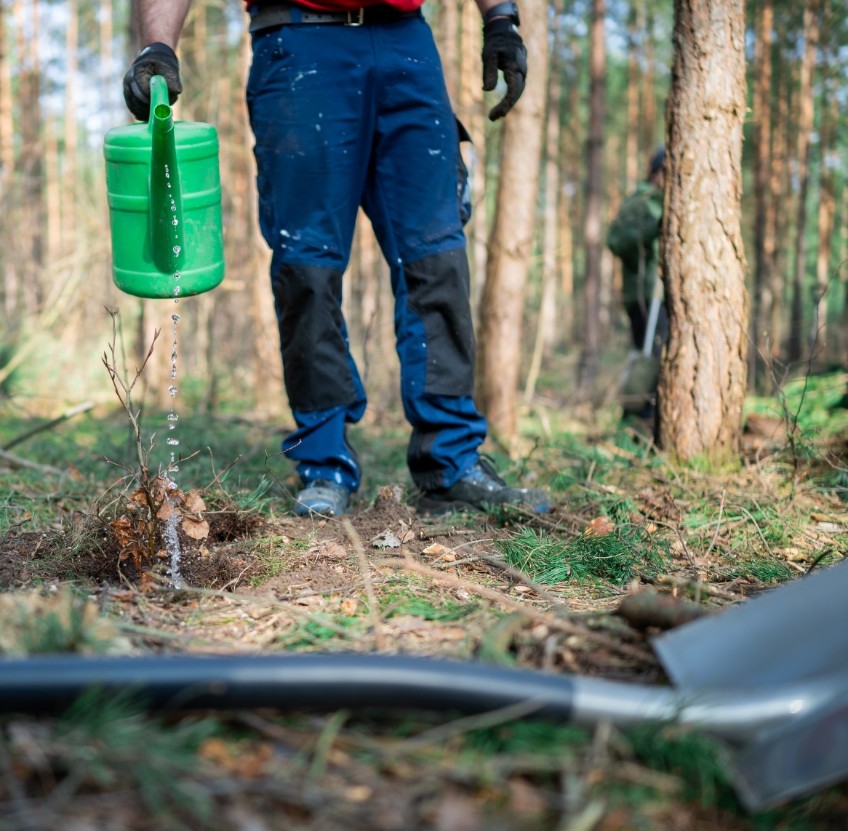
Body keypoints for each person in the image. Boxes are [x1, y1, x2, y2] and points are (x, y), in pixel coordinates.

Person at [123, 0, 551, 518]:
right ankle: (323, 461)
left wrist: (500, 19)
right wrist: (159, 45)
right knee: (307, 266)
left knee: (436, 257)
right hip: (299, 42)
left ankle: (451, 462)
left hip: (406, 42)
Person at [607, 147, 666, 420]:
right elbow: (617, 241)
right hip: (645, 295)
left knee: (658, 356)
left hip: (664, 296)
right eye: (665, 170)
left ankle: (646, 418)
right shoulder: (641, 202)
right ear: (655, 172)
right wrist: (653, 229)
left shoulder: (666, 200)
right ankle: (634, 421)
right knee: (647, 357)